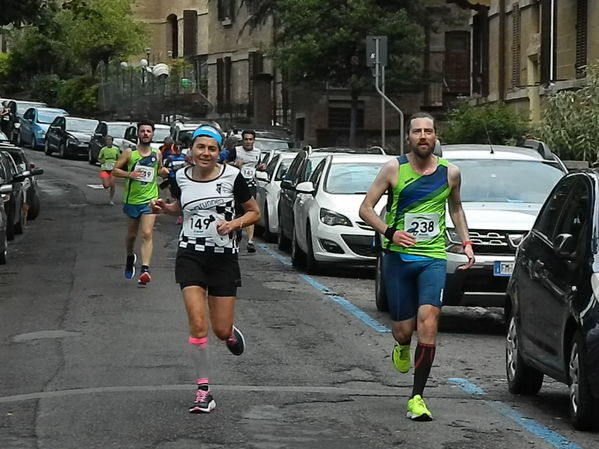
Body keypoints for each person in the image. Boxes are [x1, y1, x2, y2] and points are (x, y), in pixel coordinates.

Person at [359, 112, 475, 421]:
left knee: (429, 322)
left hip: (433, 257)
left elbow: (456, 207)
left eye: (428, 131)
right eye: (417, 132)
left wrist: (465, 242)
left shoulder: (451, 173)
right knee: (403, 330)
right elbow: (365, 209)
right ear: (408, 138)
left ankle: (417, 397)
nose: (423, 136)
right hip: (398, 258)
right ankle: (401, 346)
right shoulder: (394, 170)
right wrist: (390, 232)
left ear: (436, 137)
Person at [149, 125, 260, 413]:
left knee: (220, 330)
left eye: (212, 148)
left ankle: (230, 334)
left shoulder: (233, 178)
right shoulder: (179, 178)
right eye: (201, 147)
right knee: (198, 324)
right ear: (192, 150)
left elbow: (253, 212)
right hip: (191, 256)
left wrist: (234, 224)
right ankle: (203, 391)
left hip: (223, 258)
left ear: (219, 151)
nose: (206, 153)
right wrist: (164, 208)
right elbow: (181, 208)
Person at [112, 120, 167, 285]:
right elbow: (115, 170)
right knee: (131, 235)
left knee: (147, 233)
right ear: (138, 134)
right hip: (132, 200)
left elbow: (159, 170)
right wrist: (130, 175)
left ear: (152, 134)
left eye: (148, 131)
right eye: (142, 131)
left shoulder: (157, 153)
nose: (145, 134)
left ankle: (145, 270)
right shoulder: (130, 153)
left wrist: (165, 172)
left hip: (150, 200)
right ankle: (130, 256)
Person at [233, 130, 263, 252]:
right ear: (243, 140)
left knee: (251, 211)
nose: (248, 142)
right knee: (236, 212)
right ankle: (238, 232)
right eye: (246, 139)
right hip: (236, 185)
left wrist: (261, 167)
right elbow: (223, 164)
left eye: (251, 139)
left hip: (251, 185)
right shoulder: (236, 151)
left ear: (254, 140)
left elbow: (258, 165)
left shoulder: (258, 152)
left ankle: (250, 241)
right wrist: (234, 164)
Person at [98, 135, 120, 205]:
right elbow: (99, 158)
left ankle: (111, 199)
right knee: (106, 185)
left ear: (112, 141)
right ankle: (105, 182)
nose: (108, 141)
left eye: (110, 140)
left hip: (113, 169)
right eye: (107, 140)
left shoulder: (116, 149)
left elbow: (119, 158)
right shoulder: (103, 149)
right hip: (104, 169)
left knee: (112, 184)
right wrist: (101, 161)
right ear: (105, 142)